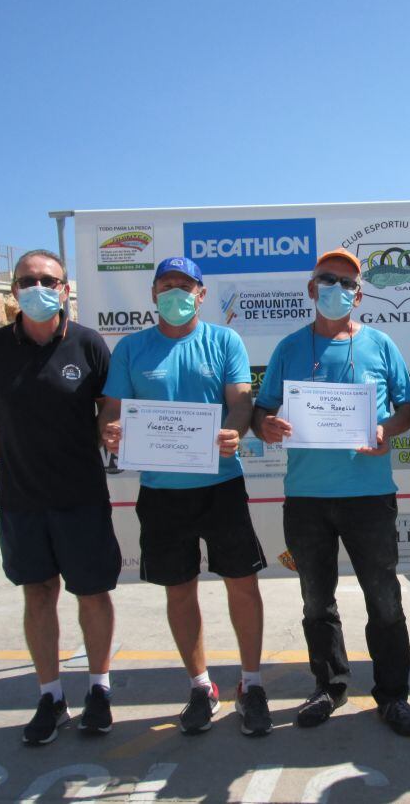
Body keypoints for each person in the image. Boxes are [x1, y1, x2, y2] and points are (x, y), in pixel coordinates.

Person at [251, 248, 410, 737]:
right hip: (306, 498)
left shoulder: (381, 345)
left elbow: (408, 409)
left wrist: (387, 432)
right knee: (315, 601)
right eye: (328, 279)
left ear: (360, 294)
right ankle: (329, 686)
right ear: (311, 288)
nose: (337, 289)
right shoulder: (288, 348)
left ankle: (393, 696)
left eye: (347, 282)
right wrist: (268, 426)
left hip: (369, 497)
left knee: (384, 599)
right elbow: (262, 414)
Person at [99, 256, 272, 737]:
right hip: (160, 491)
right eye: (166, 285)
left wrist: (235, 431)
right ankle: (200, 687)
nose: (176, 293)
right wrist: (110, 431)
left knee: (242, 583)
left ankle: (251, 683)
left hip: (221, 485)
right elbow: (111, 411)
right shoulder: (131, 349)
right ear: (153, 294)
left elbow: (240, 401)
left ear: (201, 293)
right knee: (179, 589)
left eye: (185, 286)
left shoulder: (224, 340)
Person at [0, 249, 121, 745]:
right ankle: (51, 696)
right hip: (21, 499)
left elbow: (109, 408)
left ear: (66, 289)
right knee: (38, 594)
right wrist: (7, 461)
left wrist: (100, 435)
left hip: (81, 494)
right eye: (29, 280)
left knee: (93, 594)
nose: (40, 287)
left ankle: (99, 690)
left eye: (49, 280)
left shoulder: (88, 343)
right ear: (13, 290)